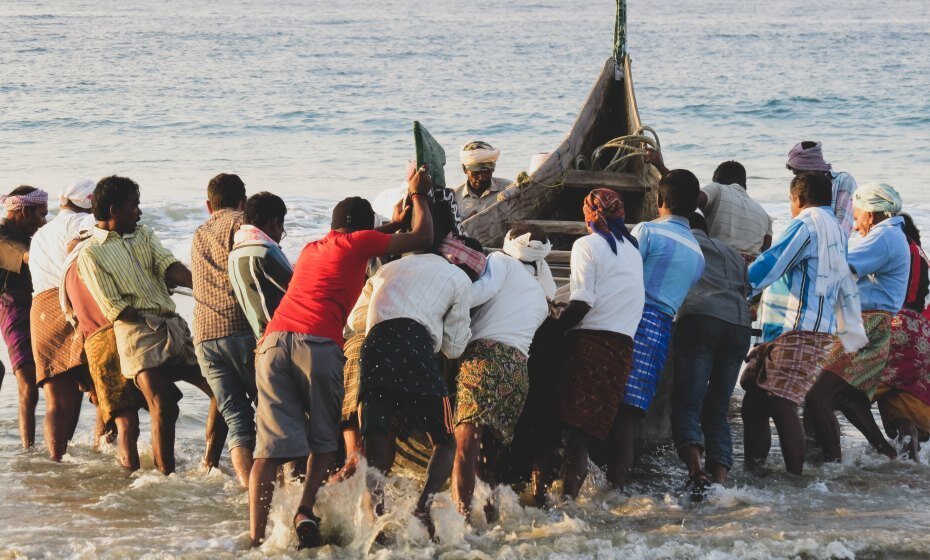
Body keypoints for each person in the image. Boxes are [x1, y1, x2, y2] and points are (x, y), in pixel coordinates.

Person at [248, 168, 435, 550]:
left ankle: (254, 539)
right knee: (323, 443)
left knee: (267, 452)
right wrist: (419, 196)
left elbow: (377, 236)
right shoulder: (357, 244)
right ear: (361, 230)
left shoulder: (313, 247)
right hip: (316, 346)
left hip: (272, 345)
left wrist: (394, 222)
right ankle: (303, 509)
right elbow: (424, 238)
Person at [76, 175, 226, 475]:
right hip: (137, 334)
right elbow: (115, 308)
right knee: (164, 406)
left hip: (172, 326)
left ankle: (208, 465)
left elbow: (169, 267)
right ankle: (165, 477)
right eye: (134, 206)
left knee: (223, 391)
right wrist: (150, 312)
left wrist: (208, 286)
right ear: (113, 210)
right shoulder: (90, 254)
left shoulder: (144, 234)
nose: (140, 212)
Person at [354, 233, 477, 536]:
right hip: (414, 347)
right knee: (446, 440)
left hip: (374, 348)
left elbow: (355, 322)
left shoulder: (387, 269)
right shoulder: (456, 278)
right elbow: (454, 347)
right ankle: (423, 506)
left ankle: (374, 508)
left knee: (378, 433)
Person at [740, 172, 861, 475]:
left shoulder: (807, 223)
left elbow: (774, 261)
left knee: (780, 402)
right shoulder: (835, 226)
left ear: (798, 198)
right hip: (816, 328)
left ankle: (795, 477)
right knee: (754, 395)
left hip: (796, 328)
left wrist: (740, 289)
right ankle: (756, 469)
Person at [532, 189, 644, 504]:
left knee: (552, 427)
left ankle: (540, 499)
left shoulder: (587, 244)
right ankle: (568, 501)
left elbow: (583, 301)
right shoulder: (633, 250)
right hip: (622, 350)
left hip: (590, 343)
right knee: (580, 437)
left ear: (591, 215)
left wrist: (553, 328)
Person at [612, 170, 705, 491]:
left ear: (659, 200)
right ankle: (618, 487)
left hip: (631, 319)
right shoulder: (698, 254)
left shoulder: (648, 231)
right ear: (694, 207)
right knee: (630, 414)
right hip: (662, 330)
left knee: (607, 401)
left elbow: (624, 273)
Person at [806, 182, 910, 462]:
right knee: (848, 399)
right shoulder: (889, 235)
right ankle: (888, 454)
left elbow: (842, 266)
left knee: (816, 397)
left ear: (871, 215)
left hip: (867, 324)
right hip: (869, 324)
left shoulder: (884, 237)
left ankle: (832, 464)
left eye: (857, 215)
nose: (855, 223)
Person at [451, 226, 549, 520]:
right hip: (517, 372)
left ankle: (462, 520)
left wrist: (446, 288)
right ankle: (490, 517)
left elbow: (481, 292)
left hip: (485, 362)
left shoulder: (501, 261)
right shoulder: (541, 293)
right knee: (488, 456)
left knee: (465, 449)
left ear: (508, 244)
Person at [671, 212, 751, 495]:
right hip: (740, 326)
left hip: (701, 319)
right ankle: (719, 484)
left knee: (687, 401)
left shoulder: (680, 239)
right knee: (717, 407)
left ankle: (696, 473)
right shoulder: (732, 253)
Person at [192, 173, 256, 488]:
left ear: (208, 205)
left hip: (205, 336)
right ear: (243, 201)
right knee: (276, 411)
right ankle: (286, 486)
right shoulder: (242, 222)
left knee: (237, 422)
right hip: (242, 329)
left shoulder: (198, 232)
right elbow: (258, 263)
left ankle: (247, 488)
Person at [61, 233, 143, 470]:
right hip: (115, 339)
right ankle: (134, 474)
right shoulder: (92, 266)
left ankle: (105, 455)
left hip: (92, 346)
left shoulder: (68, 272)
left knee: (111, 411)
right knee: (137, 416)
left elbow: (72, 315)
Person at [29, 178, 96, 460]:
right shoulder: (87, 221)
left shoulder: (41, 234)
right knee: (102, 393)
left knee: (55, 402)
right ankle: (107, 453)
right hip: (75, 307)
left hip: (41, 312)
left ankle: (55, 461)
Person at [874, 213, 930, 460]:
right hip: (922, 337)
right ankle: (911, 465)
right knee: (904, 407)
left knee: (843, 393)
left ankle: (896, 457)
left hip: (901, 329)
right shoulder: (921, 255)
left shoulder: (899, 249)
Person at [644, 151, 771, 259]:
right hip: (748, 276)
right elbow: (765, 253)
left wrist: (659, 165)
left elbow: (686, 194)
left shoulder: (719, 189)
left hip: (718, 263)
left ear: (717, 180)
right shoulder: (765, 215)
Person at [0, 186, 49, 448]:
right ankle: (27, 449)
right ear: (24, 211)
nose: (44, 221)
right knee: (28, 381)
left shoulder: (31, 238)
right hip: (11, 305)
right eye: (41, 215)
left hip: (36, 305)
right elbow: (26, 257)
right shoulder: (3, 237)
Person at [229, 191, 293, 339]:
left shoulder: (235, 252)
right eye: (282, 229)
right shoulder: (265, 251)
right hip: (281, 339)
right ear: (274, 223)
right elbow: (298, 292)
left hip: (261, 340)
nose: (280, 237)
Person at [786, 141, 858, 237]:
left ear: (810, 167)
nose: (799, 178)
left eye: (800, 173)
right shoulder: (801, 187)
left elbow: (842, 228)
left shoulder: (843, 181)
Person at [453, 141, 512, 221]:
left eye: (487, 172)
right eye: (476, 173)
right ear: (465, 169)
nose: (481, 178)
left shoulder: (508, 189)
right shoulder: (455, 197)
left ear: (493, 169)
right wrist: (467, 222)